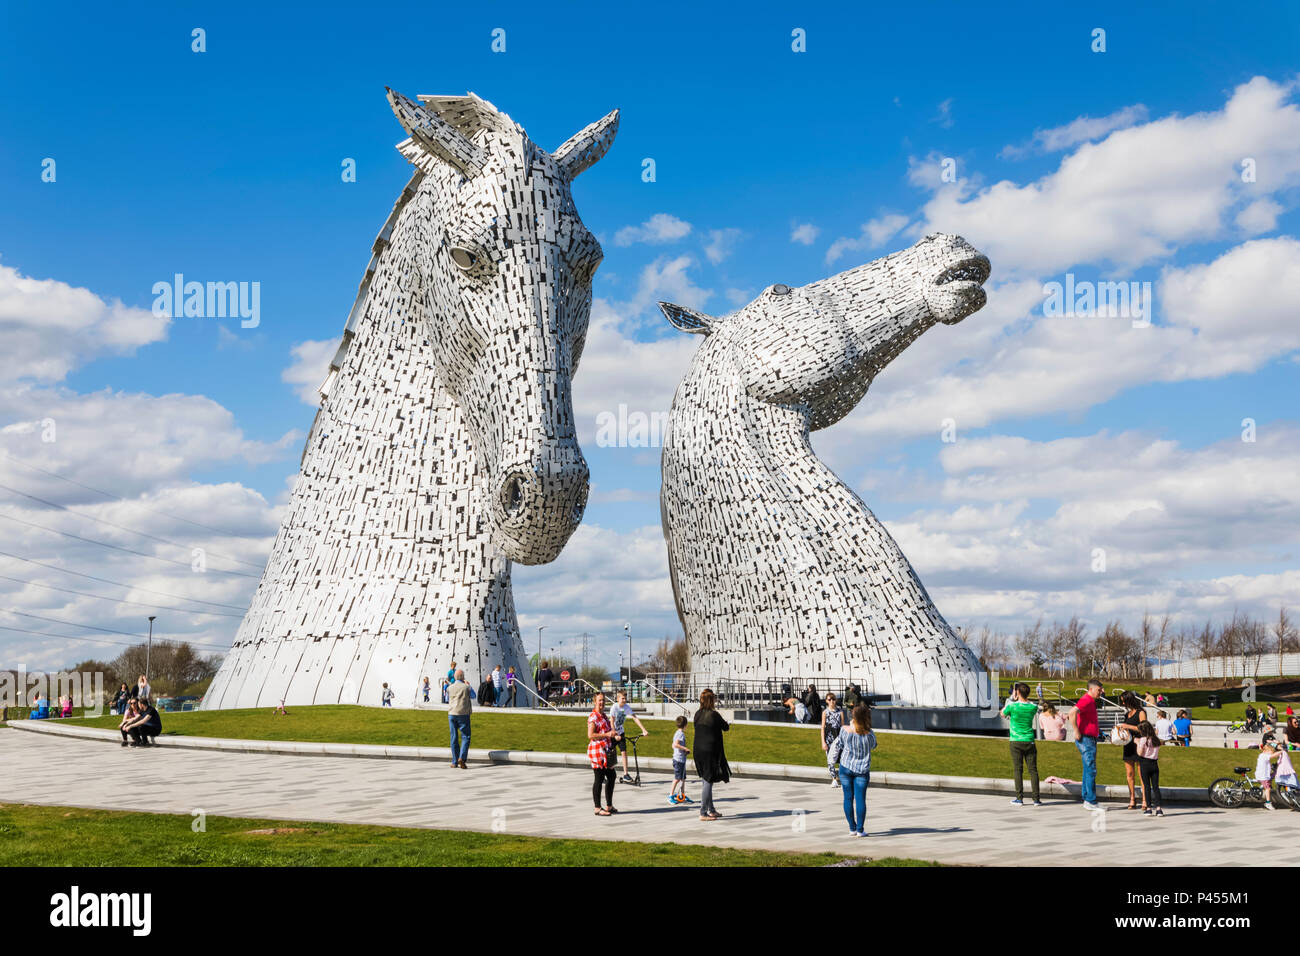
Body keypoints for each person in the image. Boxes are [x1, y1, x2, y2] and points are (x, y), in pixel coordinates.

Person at [828, 703, 877, 837]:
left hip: (846, 768)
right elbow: (874, 746)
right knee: (860, 799)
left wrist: (851, 725)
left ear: (854, 717)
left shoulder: (845, 730)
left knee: (848, 798)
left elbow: (841, 744)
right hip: (862, 770)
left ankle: (852, 828)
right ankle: (860, 830)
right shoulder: (869, 734)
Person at [692, 689, 730, 821]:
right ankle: (703, 812)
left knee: (706, 779)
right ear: (711, 700)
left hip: (698, 750)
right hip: (710, 751)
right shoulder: (713, 715)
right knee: (708, 780)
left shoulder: (697, 714)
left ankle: (711, 810)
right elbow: (725, 727)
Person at [1002, 682, 1041, 806]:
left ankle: (1019, 798)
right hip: (1029, 740)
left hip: (1015, 741)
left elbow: (1002, 713)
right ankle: (1036, 799)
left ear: (1017, 692)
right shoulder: (1033, 707)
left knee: (1018, 770)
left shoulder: (1012, 706)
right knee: (1033, 770)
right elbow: (1033, 705)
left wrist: (1010, 699)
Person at [1069, 679, 1104, 810]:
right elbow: (1072, 713)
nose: (1101, 692)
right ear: (1091, 689)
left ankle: (1087, 798)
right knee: (1091, 769)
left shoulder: (1090, 701)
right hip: (1086, 739)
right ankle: (1090, 800)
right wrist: (1076, 730)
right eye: (1099, 690)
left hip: (1089, 738)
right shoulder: (1086, 700)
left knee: (1087, 769)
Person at [587, 692, 618, 816]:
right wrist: (606, 735)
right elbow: (591, 735)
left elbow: (608, 731)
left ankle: (609, 806)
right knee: (599, 779)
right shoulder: (593, 717)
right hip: (597, 752)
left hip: (606, 752)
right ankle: (597, 808)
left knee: (612, 776)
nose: (602, 703)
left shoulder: (604, 716)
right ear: (595, 702)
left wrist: (614, 735)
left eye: (603, 700)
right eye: (599, 700)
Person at [608, 691, 649, 783]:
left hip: (621, 732)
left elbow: (635, 717)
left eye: (625, 698)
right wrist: (615, 734)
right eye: (622, 698)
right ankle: (605, 773)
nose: (624, 700)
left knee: (624, 752)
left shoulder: (626, 707)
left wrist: (643, 729)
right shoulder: (614, 707)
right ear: (618, 699)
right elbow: (611, 721)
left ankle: (626, 774)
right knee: (610, 753)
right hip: (612, 733)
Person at [1117, 691, 1148, 810]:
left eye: (1123, 700)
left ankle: (1145, 800)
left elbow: (1144, 729)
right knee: (1129, 774)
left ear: (1129, 700)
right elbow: (1126, 730)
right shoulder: (1127, 714)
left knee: (1141, 774)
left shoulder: (1141, 712)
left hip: (1139, 745)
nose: (1123, 703)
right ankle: (1132, 799)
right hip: (1128, 745)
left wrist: (1128, 726)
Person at [1135, 720, 1164, 817]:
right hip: (1154, 764)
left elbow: (1139, 753)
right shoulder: (1156, 740)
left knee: (1147, 787)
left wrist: (1137, 743)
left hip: (1145, 763)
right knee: (1156, 787)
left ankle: (1149, 808)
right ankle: (1159, 809)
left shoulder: (1143, 740)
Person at [447, 669, 472, 769]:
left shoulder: (450, 687)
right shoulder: (466, 687)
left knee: (454, 737)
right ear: (463, 677)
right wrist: (468, 685)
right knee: (466, 736)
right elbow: (473, 696)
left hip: (452, 713)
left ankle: (454, 761)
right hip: (463, 713)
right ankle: (462, 757)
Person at [820, 692, 845, 784]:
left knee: (841, 758)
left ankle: (843, 778)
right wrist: (823, 742)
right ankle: (834, 778)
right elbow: (823, 727)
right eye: (829, 699)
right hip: (829, 736)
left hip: (838, 736)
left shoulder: (840, 712)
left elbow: (842, 726)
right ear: (826, 701)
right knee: (830, 758)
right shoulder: (825, 712)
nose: (831, 701)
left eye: (833, 699)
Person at [669, 714, 691, 804]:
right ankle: (670, 795)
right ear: (685, 725)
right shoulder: (681, 734)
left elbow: (673, 745)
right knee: (677, 778)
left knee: (682, 778)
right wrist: (685, 749)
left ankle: (682, 795)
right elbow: (676, 744)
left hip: (680, 759)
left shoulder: (677, 733)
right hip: (678, 760)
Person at [1256, 740, 1280, 810]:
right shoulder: (1263, 756)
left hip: (1264, 774)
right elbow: (1273, 756)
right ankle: (1268, 803)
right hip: (1263, 776)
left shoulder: (1264, 755)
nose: (1272, 753)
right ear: (1265, 751)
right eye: (1271, 751)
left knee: (1271, 777)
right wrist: (1282, 751)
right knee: (1268, 788)